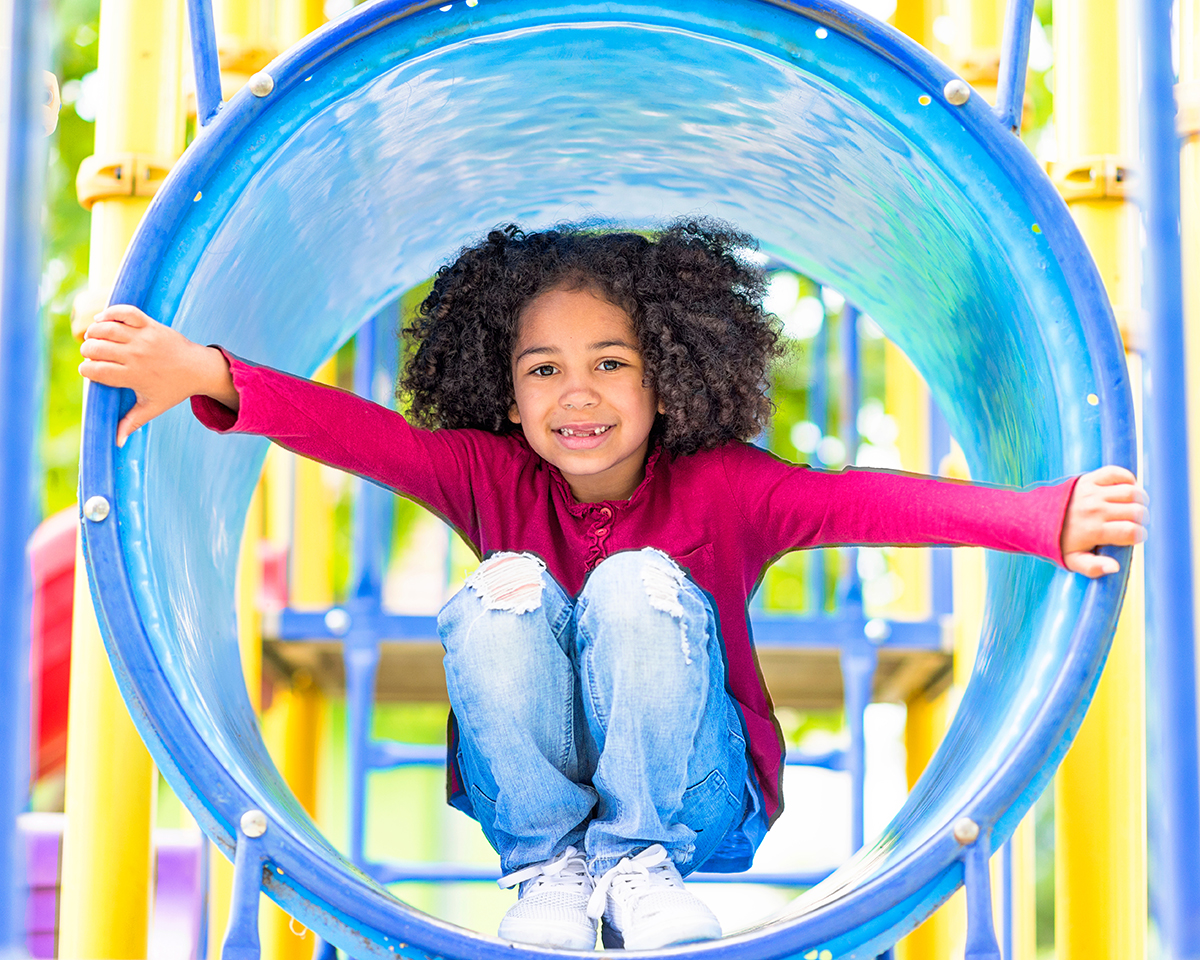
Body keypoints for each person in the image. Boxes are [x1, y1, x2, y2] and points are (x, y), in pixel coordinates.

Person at [78, 220, 1146, 952]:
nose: (575, 395)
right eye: (542, 368)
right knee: (501, 587)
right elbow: (360, 437)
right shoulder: (488, 476)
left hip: (695, 803)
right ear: (504, 386)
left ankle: (638, 869)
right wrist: (207, 373)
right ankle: (547, 870)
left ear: (669, 373)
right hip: (538, 805)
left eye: (611, 363)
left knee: (639, 583)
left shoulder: (727, 489)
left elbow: (876, 502)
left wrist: (1044, 518)